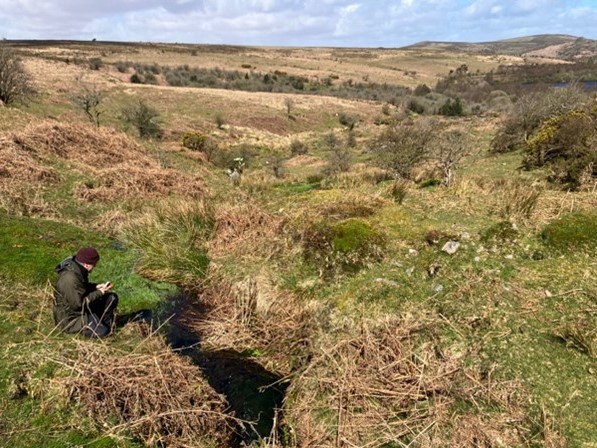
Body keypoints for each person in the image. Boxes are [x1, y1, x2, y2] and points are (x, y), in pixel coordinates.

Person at [53, 247, 119, 338]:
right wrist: (99, 292)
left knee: (112, 298)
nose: (94, 267)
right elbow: (79, 304)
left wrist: (96, 287)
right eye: (94, 265)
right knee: (103, 332)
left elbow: (80, 288)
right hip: (71, 319)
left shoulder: (77, 268)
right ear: (87, 265)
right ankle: (97, 328)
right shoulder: (70, 279)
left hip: (79, 311)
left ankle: (103, 324)